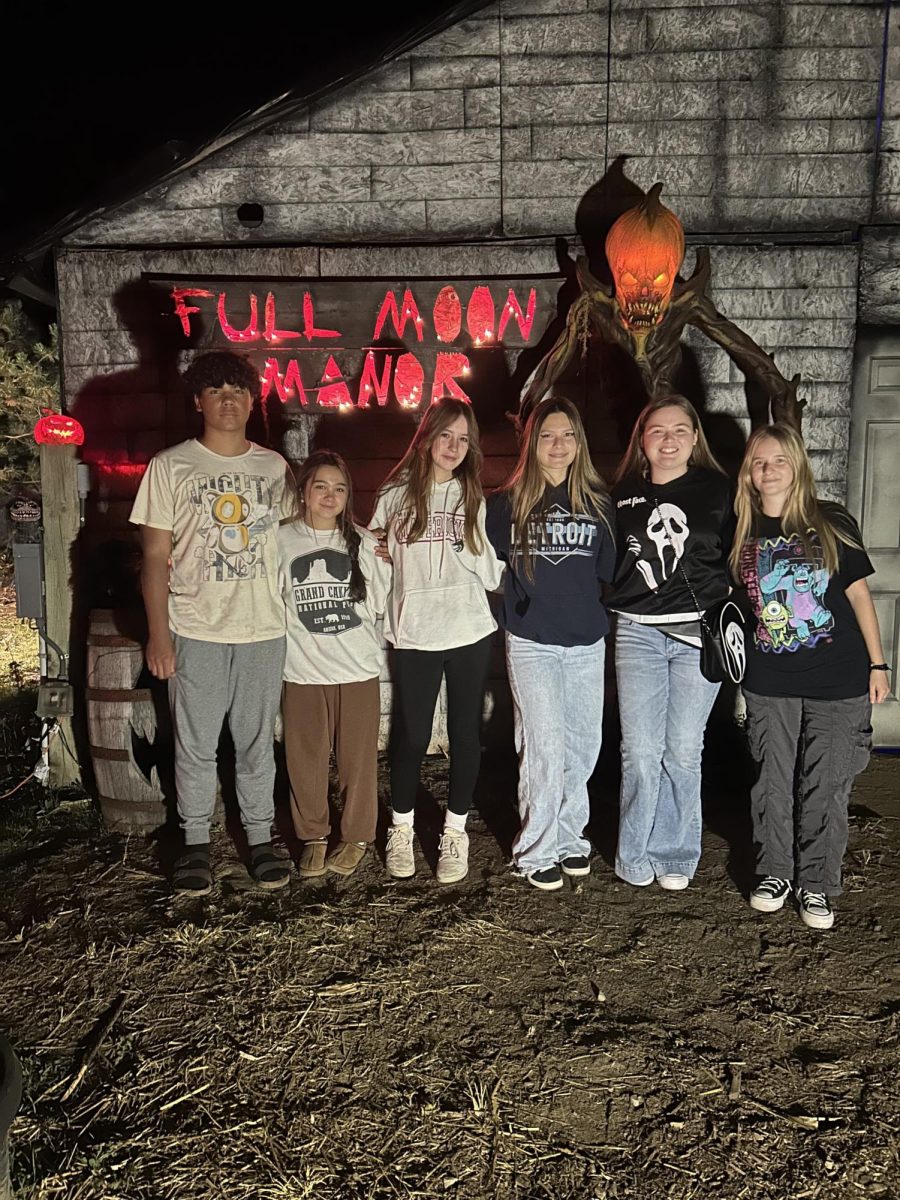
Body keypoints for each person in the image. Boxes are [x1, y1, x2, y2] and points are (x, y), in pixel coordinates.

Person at [130, 350, 291, 895]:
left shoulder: (274, 468)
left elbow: (300, 539)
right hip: (195, 626)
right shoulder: (171, 466)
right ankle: (195, 842)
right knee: (194, 744)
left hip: (263, 628)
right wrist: (158, 633)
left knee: (255, 741)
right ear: (198, 400)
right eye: (217, 391)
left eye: (239, 391)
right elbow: (154, 556)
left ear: (252, 401)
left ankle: (260, 838)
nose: (229, 401)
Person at [732, 424, 889, 930]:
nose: (769, 469)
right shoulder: (740, 526)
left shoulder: (831, 521)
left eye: (779, 459)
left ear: (797, 463)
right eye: (759, 462)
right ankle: (775, 871)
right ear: (750, 474)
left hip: (838, 678)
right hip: (769, 677)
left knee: (826, 782)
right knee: (771, 780)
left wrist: (878, 663)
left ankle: (817, 883)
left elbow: (859, 596)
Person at [370, 397, 503, 884]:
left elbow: (491, 574)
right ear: (427, 437)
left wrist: (469, 546)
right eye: (446, 435)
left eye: (463, 439)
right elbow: (374, 557)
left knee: (465, 734)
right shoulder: (394, 494)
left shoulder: (474, 499)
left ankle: (455, 830)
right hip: (416, 631)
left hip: (468, 628)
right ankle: (401, 828)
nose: (453, 446)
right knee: (412, 734)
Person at [486, 398, 616, 891]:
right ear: (532, 443)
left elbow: (608, 574)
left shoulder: (599, 504)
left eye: (567, 435)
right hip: (533, 640)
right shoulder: (506, 503)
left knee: (583, 745)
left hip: (586, 639)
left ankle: (569, 837)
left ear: (579, 443)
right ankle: (535, 848)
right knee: (542, 745)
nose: (557, 445)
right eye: (546, 436)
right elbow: (479, 563)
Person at [609, 394, 733, 891]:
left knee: (682, 749)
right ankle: (634, 853)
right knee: (640, 750)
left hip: (697, 633)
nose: (669, 439)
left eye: (680, 429)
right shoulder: (620, 494)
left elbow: (742, 551)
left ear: (695, 437)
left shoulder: (720, 491)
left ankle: (677, 853)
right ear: (642, 440)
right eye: (658, 430)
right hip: (637, 632)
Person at [278, 450, 391, 879]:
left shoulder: (363, 542)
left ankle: (358, 834)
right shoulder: (282, 540)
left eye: (339, 488)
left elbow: (377, 605)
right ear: (304, 491)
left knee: (357, 760)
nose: (330, 495)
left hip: (356, 669)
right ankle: (313, 835)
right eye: (321, 486)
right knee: (304, 758)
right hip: (303, 670)